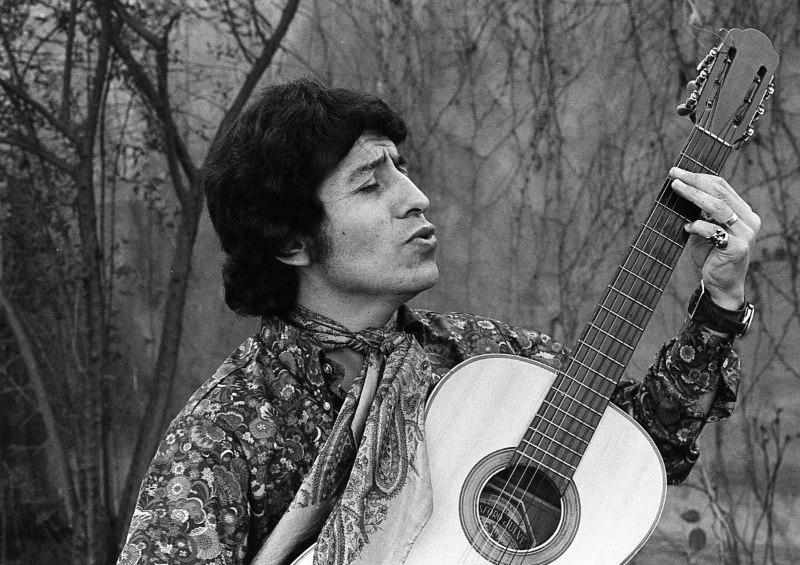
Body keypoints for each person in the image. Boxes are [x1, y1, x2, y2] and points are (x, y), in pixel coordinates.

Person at [116, 78, 758, 565]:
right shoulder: (224, 436)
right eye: (371, 185)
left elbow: (638, 454)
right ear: (291, 242)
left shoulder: (486, 360)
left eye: (401, 168)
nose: (416, 197)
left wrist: (720, 302)